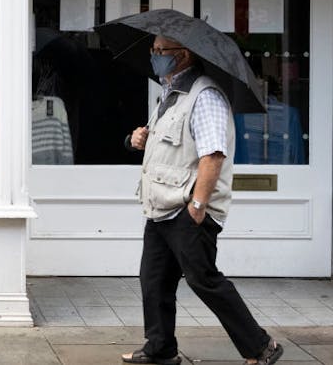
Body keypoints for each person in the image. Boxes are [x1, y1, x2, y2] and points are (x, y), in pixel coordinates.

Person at [120, 35, 283, 365]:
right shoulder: (170, 94)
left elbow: (213, 156)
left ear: (182, 55)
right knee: (154, 280)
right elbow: (172, 146)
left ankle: (261, 347)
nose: (154, 57)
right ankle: (160, 350)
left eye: (160, 52)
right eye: (153, 51)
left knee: (203, 279)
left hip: (187, 208)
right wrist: (137, 138)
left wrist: (198, 206)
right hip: (162, 206)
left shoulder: (205, 95)